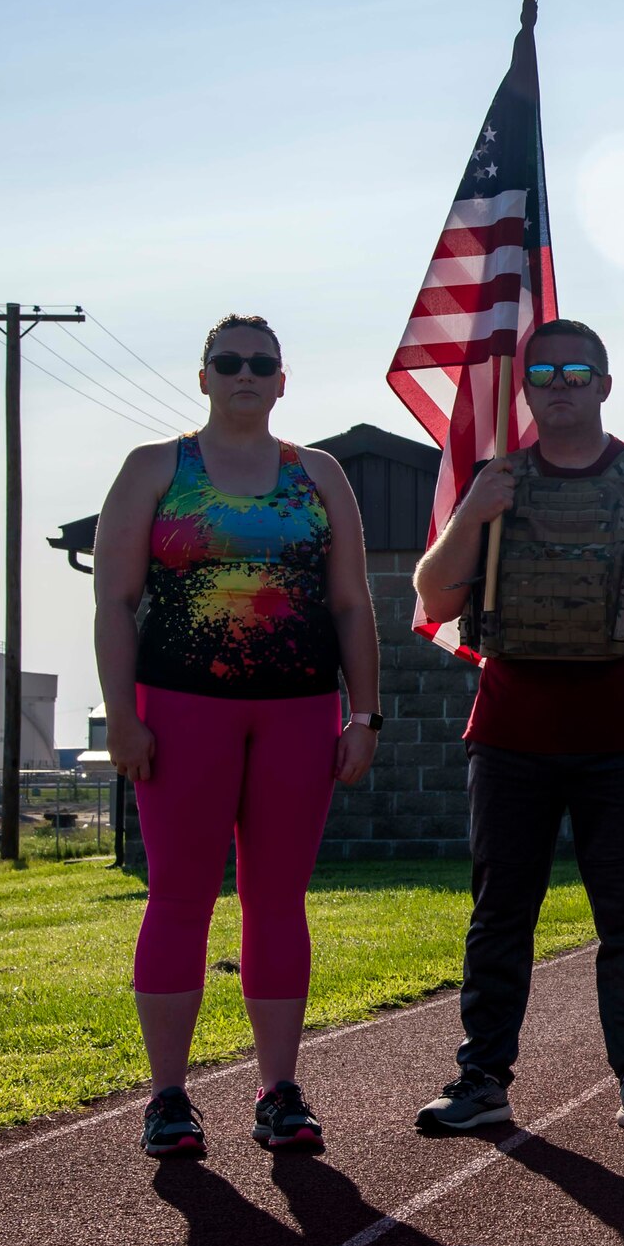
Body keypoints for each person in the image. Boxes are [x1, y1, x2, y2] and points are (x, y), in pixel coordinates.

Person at [410, 318, 624, 1138]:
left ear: (605, 386)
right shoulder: (495, 482)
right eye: (544, 372)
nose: (561, 383)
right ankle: (483, 1080)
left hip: (623, 744)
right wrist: (472, 512)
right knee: (500, 915)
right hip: (509, 736)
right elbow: (433, 599)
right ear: (527, 388)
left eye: (579, 371)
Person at [94, 314, 381, 1159]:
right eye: (229, 361)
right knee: (179, 898)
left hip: (298, 712)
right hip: (181, 711)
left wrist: (363, 715)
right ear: (205, 376)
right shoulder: (155, 469)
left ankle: (279, 1090)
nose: (245, 373)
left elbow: (353, 606)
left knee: (277, 901)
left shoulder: (319, 474)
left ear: (283, 379)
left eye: (261, 362)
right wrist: (121, 715)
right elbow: (114, 603)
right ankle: (168, 1098)